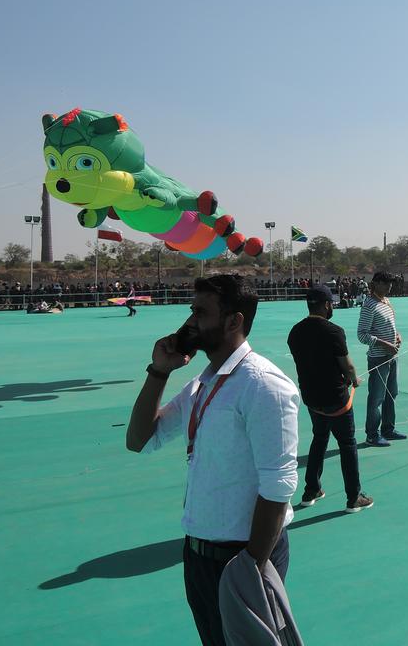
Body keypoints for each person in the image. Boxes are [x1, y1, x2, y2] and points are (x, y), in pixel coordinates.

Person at [125, 275, 300, 646]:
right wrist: (159, 371)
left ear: (233, 321)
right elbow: (140, 440)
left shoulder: (263, 385)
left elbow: (279, 484)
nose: (190, 323)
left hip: (242, 558)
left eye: (201, 313)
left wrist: (250, 566)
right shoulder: (203, 383)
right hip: (198, 553)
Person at [287, 284, 374, 513]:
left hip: (312, 398)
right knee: (347, 444)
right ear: (326, 305)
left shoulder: (295, 332)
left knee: (319, 438)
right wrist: (354, 380)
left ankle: (311, 490)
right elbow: (348, 366)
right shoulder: (333, 331)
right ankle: (353, 497)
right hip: (336, 400)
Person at [357, 271, 407, 447]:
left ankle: (388, 429)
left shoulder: (386, 302)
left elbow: (390, 326)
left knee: (391, 394)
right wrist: (384, 344)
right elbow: (362, 335)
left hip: (392, 356)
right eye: (385, 283)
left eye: (390, 283)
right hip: (379, 358)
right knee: (377, 397)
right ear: (376, 283)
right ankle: (372, 435)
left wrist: (397, 335)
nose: (389, 286)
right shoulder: (369, 304)